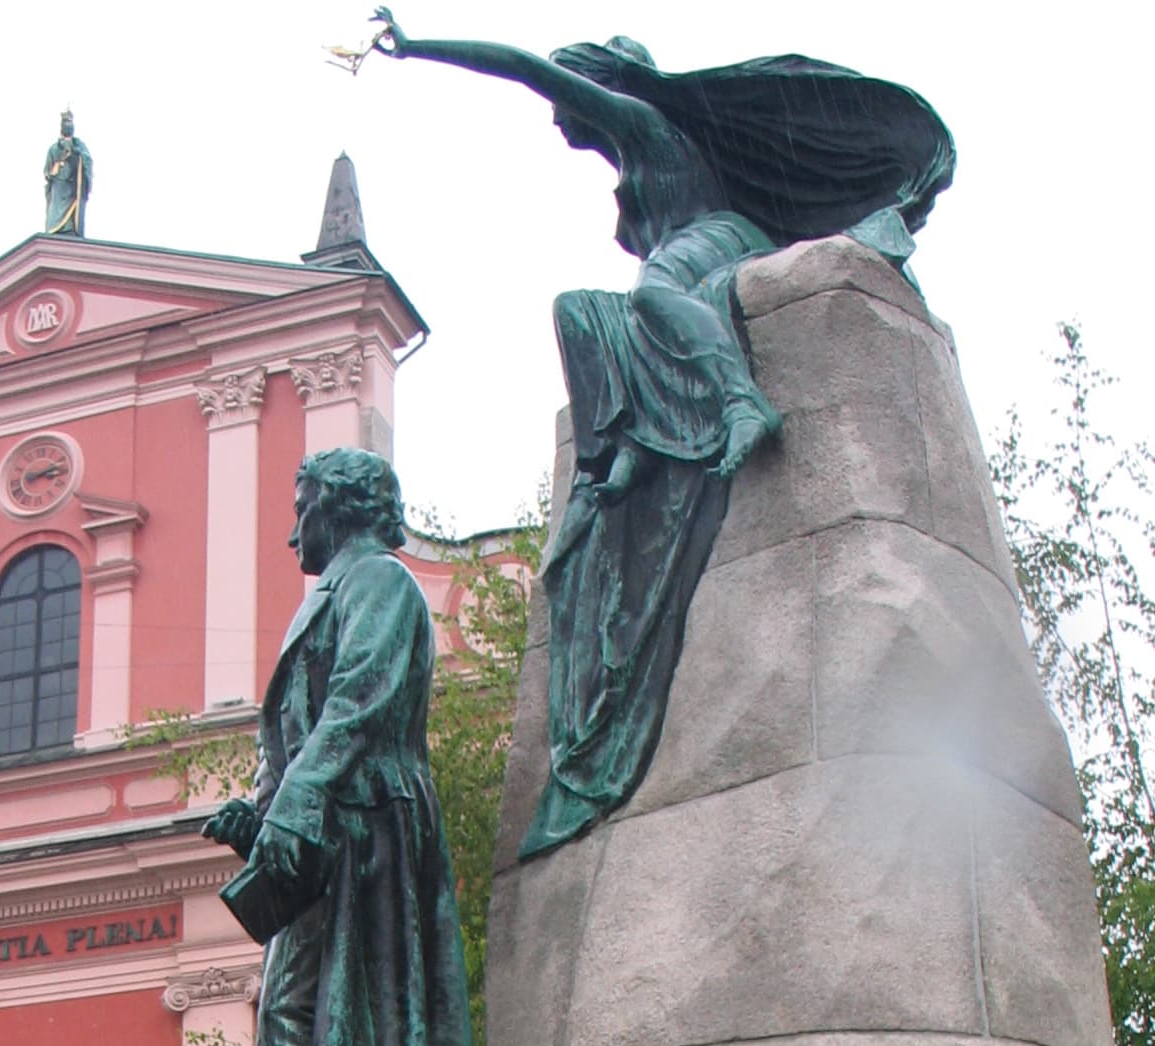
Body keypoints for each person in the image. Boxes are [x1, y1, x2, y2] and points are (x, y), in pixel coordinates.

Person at [370, 13, 954, 855]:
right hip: (690, 261)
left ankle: (739, 402)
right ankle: (624, 450)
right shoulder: (634, 155)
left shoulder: (643, 122)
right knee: (578, 311)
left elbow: (526, 69)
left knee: (650, 296)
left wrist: (419, 45)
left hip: (721, 248)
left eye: (572, 99)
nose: (561, 118)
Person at [197, 448, 477, 1046]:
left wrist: (290, 804)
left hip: (364, 822)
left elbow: (357, 704)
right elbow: (294, 735)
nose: (292, 533)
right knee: (341, 1016)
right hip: (327, 826)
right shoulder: (329, 597)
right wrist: (258, 813)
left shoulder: (381, 584)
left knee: (324, 1013)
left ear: (342, 506)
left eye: (303, 505)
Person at [43, 111, 92, 237]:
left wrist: (77, 153)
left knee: (72, 210)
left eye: (70, 124)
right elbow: (47, 171)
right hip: (59, 186)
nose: (68, 127)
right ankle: (56, 228)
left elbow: (87, 159)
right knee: (56, 209)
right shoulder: (54, 148)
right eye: (66, 124)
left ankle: (69, 227)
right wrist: (54, 170)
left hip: (72, 186)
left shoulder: (79, 145)